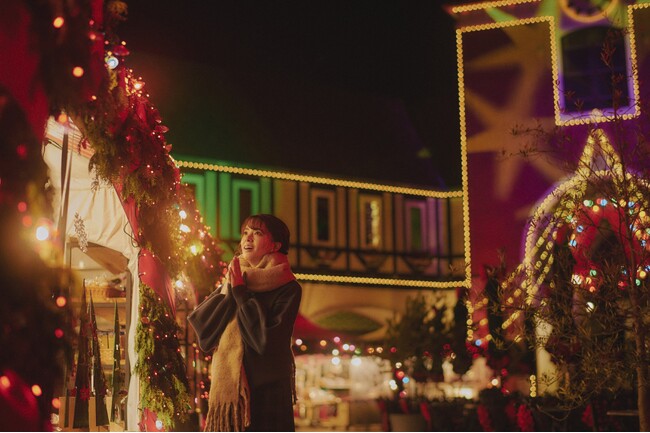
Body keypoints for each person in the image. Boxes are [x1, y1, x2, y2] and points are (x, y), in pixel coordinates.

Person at [191, 214, 302, 432]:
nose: (247, 238)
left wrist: (241, 294)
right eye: (245, 233)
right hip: (232, 394)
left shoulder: (288, 288)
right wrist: (232, 291)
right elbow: (205, 335)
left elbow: (265, 342)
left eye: (257, 233)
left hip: (268, 393)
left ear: (275, 245)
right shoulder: (234, 278)